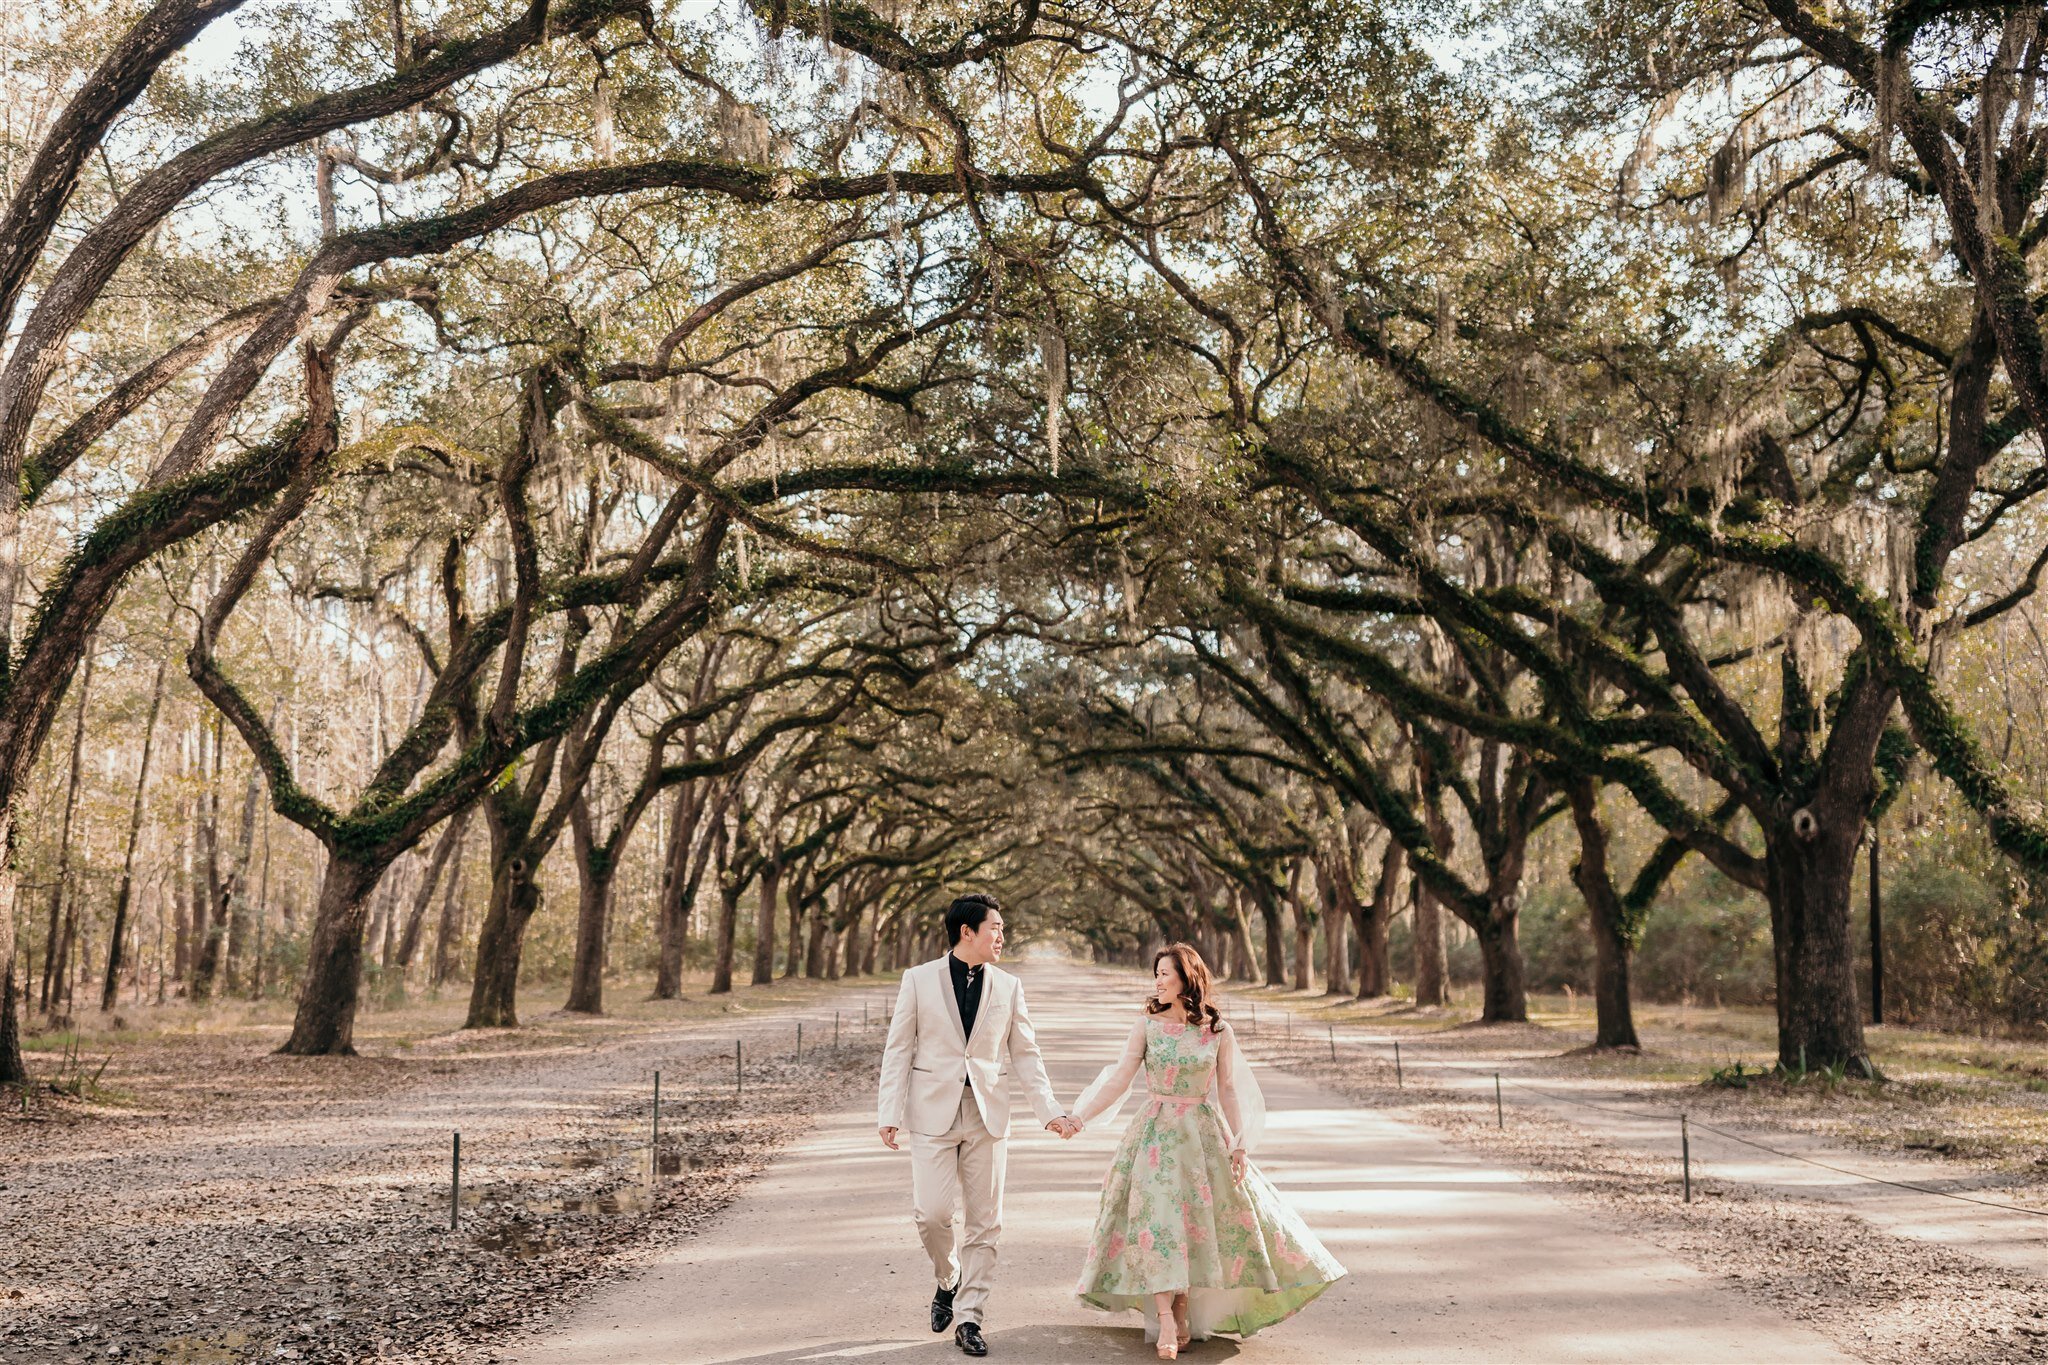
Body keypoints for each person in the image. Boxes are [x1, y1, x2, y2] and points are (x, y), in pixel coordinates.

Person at [1067, 943, 1345, 1359]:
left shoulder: (1217, 1029)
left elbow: (1228, 1089)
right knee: (1159, 1223)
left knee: (1196, 1224)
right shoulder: (1146, 1024)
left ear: (1186, 978)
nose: (1157, 981)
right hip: (1156, 1136)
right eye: (1156, 974)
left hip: (1201, 1135)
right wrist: (1079, 1117)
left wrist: (1239, 1141)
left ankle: (1182, 1307)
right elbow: (1119, 1080)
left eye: (1165, 973)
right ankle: (1164, 1317)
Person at [876, 893, 1079, 1358]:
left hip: (988, 1116)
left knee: (985, 1224)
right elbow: (898, 1050)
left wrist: (1049, 1110)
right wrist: (889, 1113)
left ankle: (970, 1318)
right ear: (967, 932)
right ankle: (948, 1278)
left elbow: (1026, 1054)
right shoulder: (918, 979)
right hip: (931, 1114)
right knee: (931, 1214)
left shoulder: (1009, 986)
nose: (1002, 936)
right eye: (995, 927)